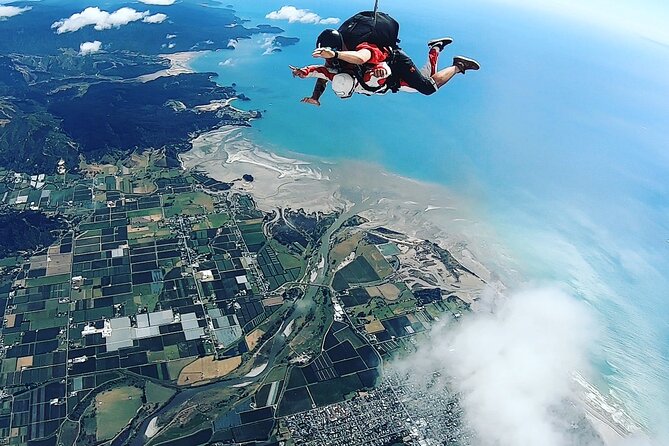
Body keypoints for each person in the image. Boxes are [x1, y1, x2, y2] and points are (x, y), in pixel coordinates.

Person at [291, 28, 480, 106]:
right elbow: (322, 73)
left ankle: (457, 65)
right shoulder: (337, 66)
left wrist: (382, 72)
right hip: (386, 72)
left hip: (396, 64)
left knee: (428, 87)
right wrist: (305, 76)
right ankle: (435, 48)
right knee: (426, 77)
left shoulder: (360, 51)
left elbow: (370, 63)